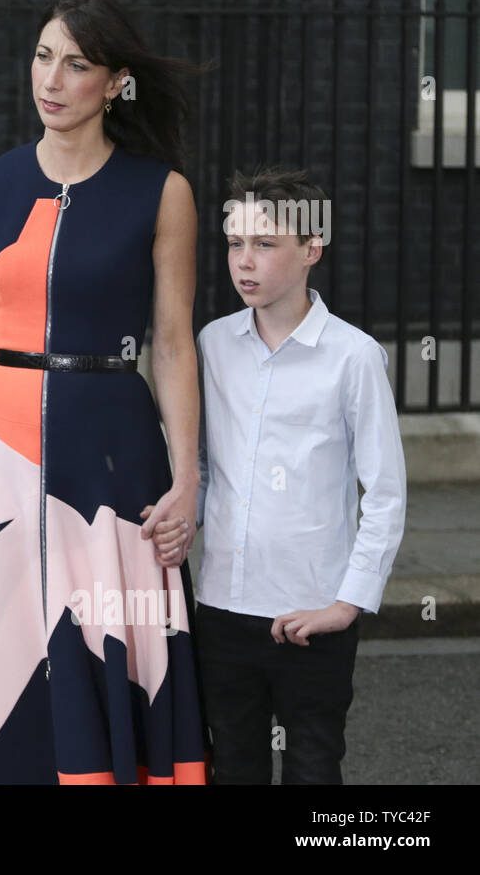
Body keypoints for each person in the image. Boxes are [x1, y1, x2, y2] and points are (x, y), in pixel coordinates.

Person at [0, 0, 208, 783]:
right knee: (0, 649)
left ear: (116, 82)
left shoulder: (163, 193)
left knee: (100, 644)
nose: (51, 79)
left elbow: (170, 344)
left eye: (77, 64)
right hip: (3, 449)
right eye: (43, 55)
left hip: (113, 452)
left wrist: (186, 479)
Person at [192, 167, 407, 784]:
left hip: (314, 613)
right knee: (233, 766)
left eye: (265, 244)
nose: (244, 261)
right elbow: (207, 468)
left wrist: (348, 604)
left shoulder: (354, 356)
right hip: (224, 608)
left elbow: (386, 493)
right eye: (235, 244)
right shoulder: (213, 344)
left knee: (313, 766)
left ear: (312, 249)